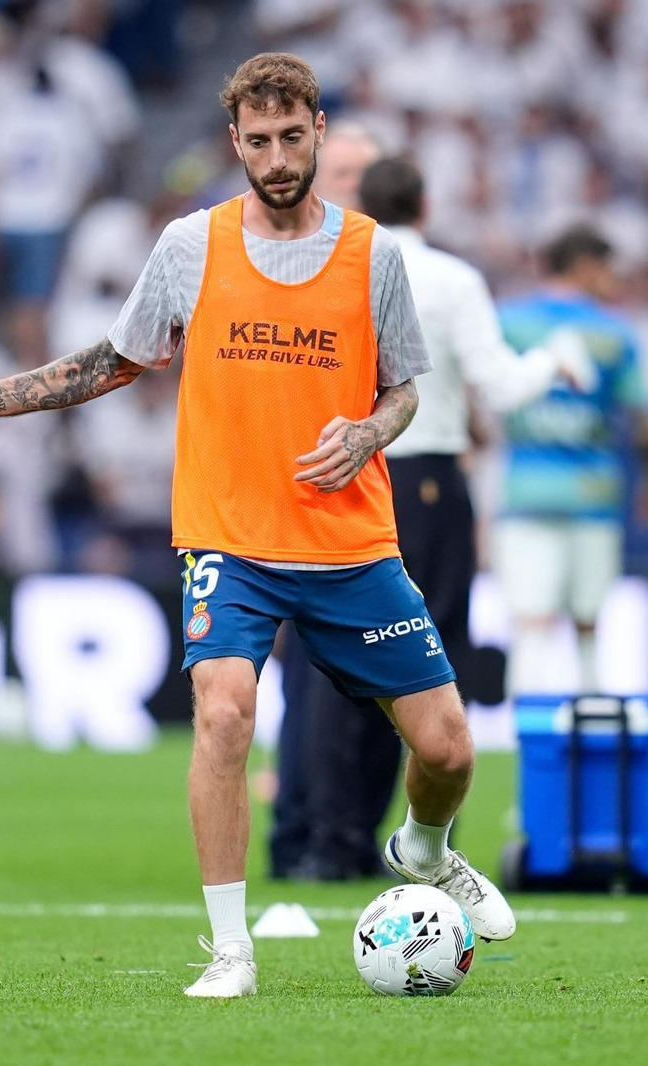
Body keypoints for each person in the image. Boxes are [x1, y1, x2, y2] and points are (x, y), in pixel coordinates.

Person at [0, 52, 515, 998]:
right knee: (225, 711)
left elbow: (403, 391)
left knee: (447, 750)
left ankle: (426, 850)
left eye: (291, 137)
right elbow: (116, 359)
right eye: (258, 141)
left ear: (318, 131)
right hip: (229, 538)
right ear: (235, 141)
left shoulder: (373, 254)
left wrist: (367, 432)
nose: (276, 158)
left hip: (348, 540)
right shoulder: (192, 245)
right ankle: (232, 951)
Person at [288, 155, 583, 881]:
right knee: (426, 670)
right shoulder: (453, 279)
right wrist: (552, 361)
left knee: (338, 666)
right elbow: (500, 385)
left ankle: (333, 840)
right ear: (426, 205)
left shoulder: (334, 270)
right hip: (422, 482)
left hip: (342, 473)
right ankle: (424, 837)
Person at [264, 120, 382, 881]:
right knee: (321, 684)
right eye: (347, 176)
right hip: (304, 502)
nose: (360, 191)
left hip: (367, 502)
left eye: (370, 177)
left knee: (348, 684)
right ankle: (313, 835)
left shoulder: (380, 261)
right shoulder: (292, 264)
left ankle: (325, 833)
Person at [495, 224, 648, 700]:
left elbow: (478, 388)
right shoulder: (613, 331)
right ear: (587, 266)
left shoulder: (507, 322)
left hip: (526, 492)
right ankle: (593, 723)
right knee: (589, 625)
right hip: (594, 494)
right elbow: (644, 423)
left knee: (531, 625)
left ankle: (525, 731)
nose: (615, 279)